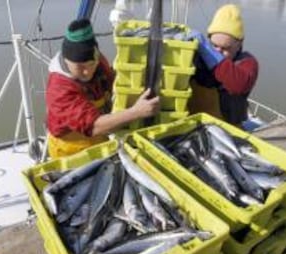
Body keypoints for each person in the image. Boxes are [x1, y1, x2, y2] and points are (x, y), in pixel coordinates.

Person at [45, 19, 159, 158]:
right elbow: (94, 126)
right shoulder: (59, 89)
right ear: (66, 61)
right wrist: (136, 112)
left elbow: (113, 83)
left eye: (91, 64)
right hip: (71, 151)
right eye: (79, 67)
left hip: (101, 142)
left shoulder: (98, 60)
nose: (87, 72)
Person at [187, 4, 259, 127]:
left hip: (227, 129)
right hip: (193, 124)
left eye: (225, 48)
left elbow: (238, 85)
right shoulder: (199, 55)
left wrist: (212, 55)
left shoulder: (248, 63)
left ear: (239, 43)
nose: (218, 51)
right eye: (214, 46)